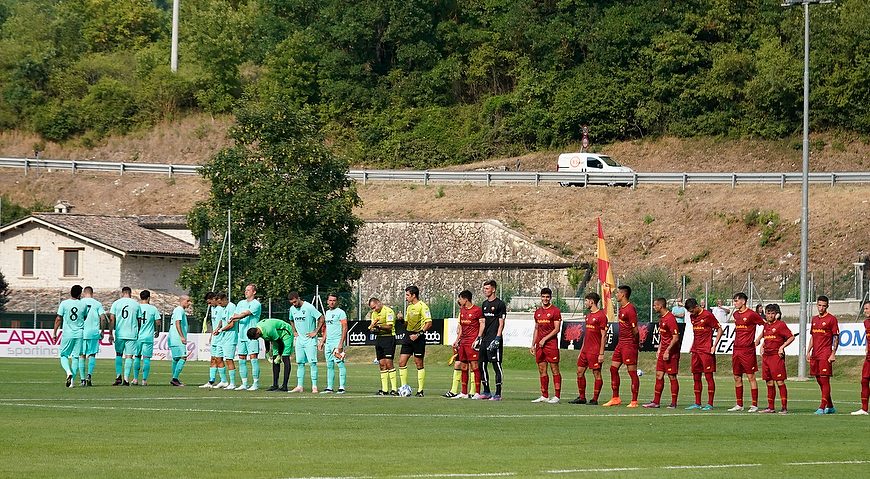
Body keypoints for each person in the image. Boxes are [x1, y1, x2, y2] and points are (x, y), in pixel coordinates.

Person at [727, 292, 764, 412]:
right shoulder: (736, 314)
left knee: (751, 376)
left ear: (743, 301)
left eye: (736, 301)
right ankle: (739, 404)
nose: (735, 303)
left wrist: (758, 339)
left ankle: (754, 405)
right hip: (736, 349)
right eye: (734, 301)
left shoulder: (752, 314)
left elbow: (765, 325)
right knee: (737, 376)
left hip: (748, 350)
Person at [605, 285, 640, 408]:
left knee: (632, 372)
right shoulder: (621, 309)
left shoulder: (630, 309)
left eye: (618, 293)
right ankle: (615, 398)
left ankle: (634, 401)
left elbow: (635, 329)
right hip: (621, 343)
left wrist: (635, 343)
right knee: (613, 369)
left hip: (629, 344)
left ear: (623, 294)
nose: (616, 295)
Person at [685, 297, 723, 411]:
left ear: (697, 307)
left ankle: (710, 403)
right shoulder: (693, 317)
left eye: (692, 310)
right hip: (696, 350)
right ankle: (697, 403)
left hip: (706, 350)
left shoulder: (707, 315)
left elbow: (719, 329)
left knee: (708, 376)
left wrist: (714, 345)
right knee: (696, 376)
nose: (691, 313)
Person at [755, 303, 794, 414]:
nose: (770, 316)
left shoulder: (780, 325)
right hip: (766, 357)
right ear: (765, 314)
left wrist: (782, 347)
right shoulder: (766, 325)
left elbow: (791, 337)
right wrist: (761, 345)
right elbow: (766, 337)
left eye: (772, 314)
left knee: (780, 382)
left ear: (776, 314)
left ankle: (784, 408)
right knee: (769, 382)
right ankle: (770, 407)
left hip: (776, 357)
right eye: (768, 313)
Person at [445, 290, 483, 399]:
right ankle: (464, 392)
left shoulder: (477, 310)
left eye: (460, 298)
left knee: (475, 366)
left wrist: (478, 338)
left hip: (472, 342)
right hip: (463, 342)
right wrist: (457, 340)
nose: (459, 301)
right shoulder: (462, 310)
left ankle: (477, 393)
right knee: (463, 366)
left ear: (466, 299)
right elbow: (461, 327)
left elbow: (482, 324)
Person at [570, 292, 607, 405]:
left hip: (594, 351)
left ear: (592, 301)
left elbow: (603, 335)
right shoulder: (588, 315)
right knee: (579, 372)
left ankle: (595, 399)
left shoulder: (601, 316)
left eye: (586, 301)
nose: (585, 303)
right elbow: (587, 335)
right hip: (585, 350)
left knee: (596, 374)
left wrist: (601, 353)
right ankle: (582, 397)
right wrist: (581, 350)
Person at [644, 298, 681, 408]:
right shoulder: (662, 318)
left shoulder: (670, 318)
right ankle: (656, 402)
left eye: (655, 305)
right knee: (659, 375)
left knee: (672, 376)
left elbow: (675, 337)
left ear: (660, 306)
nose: (654, 307)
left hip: (671, 353)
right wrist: (660, 349)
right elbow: (663, 336)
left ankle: (673, 403)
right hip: (663, 351)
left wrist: (668, 351)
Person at [807, 295, 839, 415]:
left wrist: (833, 353)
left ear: (827, 306)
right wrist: (808, 351)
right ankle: (830, 406)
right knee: (819, 380)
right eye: (819, 305)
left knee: (825, 380)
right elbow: (813, 337)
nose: (821, 308)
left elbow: (836, 337)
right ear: (817, 305)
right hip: (815, 354)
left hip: (825, 354)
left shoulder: (832, 319)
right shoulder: (814, 319)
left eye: (824, 306)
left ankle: (822, 406)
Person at [399, 285, 432, 397]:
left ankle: (420, 391)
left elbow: (429, 323)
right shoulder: (409, 307)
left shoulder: (423, 306)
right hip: (408, 336)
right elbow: (406, 324)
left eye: (408, 295)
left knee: (419, 363)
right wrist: (401, 320)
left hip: (418, 337)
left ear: (414, 295)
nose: (406, 297)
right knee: (401, 362)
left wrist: (418, 334)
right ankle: (403, 388)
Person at [288, 291, 324, 393]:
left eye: (295, 302)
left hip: (310, 340)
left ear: (298, 298)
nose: (294, 304)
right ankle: (300, 386)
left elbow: (321, 318)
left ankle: (314, 386)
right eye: (292, 303)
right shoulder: (292, 309)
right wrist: (294, 331)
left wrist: (315, 331)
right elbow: (291, 319)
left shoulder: (309, 307)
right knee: (300, 363)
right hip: (299, 340)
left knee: (312, 363)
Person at [531, 288, 562, 404]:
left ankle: (557, 396)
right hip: (540, 345)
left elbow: (557, 329)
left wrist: (544, 339)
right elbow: (536, 328)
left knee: (555, 369)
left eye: (547, 297)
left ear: (550, 298)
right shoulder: (538, 312)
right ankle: (544, 395)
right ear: (541, 297)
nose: (545, 299)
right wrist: (533, 344)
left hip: (551, 345)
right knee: (542, 370)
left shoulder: (555, 311)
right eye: (543, 296)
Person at [477, 279, 506, 400]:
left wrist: (498, 337)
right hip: (485, 339)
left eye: (487, 288)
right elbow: (483, 323)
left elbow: (501, 322)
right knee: (481, 365)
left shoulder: (500, 304)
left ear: (493, 289)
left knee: (496, 365)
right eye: (484, 289)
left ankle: (498, 393)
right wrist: (479, 337)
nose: (485, 291)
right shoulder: (484, 304)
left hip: (494, 339)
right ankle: (486, 391)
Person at [248, 318, 294, 391]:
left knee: (285, 357)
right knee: (275, 361)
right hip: (277, 336)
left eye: (255, 338)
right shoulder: (259, 329)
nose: (256, 339)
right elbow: (266, 338)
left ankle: (284, 386)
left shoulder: (269, 330)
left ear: (257, 333)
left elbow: (280, 343)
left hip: (286, 333)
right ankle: (275, 385)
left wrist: (279, 355)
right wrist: (267, 352)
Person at [231, 284, 262, 391]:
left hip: (252, 336)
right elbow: (235, 316)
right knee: (241, 360)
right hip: (241, 335)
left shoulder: (256, 304)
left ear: (254, 292)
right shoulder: (240, 303)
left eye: (248, 290)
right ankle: (244, 383)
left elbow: (243, 315)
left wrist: (234, 317)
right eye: (245, 290)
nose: (246, 292)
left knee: (253, 359)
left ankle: (255, 383)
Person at [54, 285, 86, 388]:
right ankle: (72, 382)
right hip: (79, 333)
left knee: (63, 355)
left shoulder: (64, 303)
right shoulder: (83, 305)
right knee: (75, 357)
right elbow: (84, 317)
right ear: (79, 294)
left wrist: (54, 332)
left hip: (68, 333)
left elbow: (59, 318)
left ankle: (68, 372)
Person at [109, 287, 141, 386]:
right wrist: (138, 331)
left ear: (122, 293)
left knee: (118, 354)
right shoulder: (136, 304)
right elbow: (139, 320)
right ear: (130, 293)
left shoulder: (116, 303)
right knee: (129, 356)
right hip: (131, 334)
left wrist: (110, 333)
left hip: (120, 333)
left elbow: (112, 319)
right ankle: (126, 379)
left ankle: (118, 376)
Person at [318, 293, 348, 394]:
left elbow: (345, 328)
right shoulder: (327, 313)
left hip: (337, 342)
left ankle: (342, 387)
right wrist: (322, 340)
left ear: (337, 301)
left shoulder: (341, 313)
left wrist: (340, 343)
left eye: (334, 300)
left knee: (340, 363)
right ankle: (329, 387)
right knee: (329, 365)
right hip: (329, 343)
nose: (332, 302)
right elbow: (327, 328)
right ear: (327, 301)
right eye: (330, 300)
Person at [369, 297, 398, 395]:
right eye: (372, 308)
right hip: (379, 339)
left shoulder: (388, 311)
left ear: (379, 303)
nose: (374, 310)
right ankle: (384, 390)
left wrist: (378, 326)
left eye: (374, 307)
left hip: (389, 338)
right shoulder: (374, 314)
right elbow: (373, 327)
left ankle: (394, 389)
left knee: (389, 363)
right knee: (381, 364)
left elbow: (390, 327)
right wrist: (373, 330)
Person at [132, 290, 160, 386]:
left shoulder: (137, 307)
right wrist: (157, 331)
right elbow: (158, 322)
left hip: (137, 336)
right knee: (146, 358)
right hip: (148, 336)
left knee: (137, 357)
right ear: (149, 298)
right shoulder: (153, 309)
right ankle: (144, 380)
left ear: (140, 297)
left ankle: (135, 379)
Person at [80, 286, 106, 387]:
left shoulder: (80, 303)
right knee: (92, 355)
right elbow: (103, 318)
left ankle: (82, 379)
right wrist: (102, 331)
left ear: (83, 293)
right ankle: (89, 375)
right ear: (92, 293)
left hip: (81, 333)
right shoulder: (97, 304)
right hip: (94, 333)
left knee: (81, 355)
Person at [214, 292, 240, 389]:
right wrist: (217, 328)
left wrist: (221, 330)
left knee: (229, 359)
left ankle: (232, 383)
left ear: (225, 299)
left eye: (220, 303)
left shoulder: (232, 307)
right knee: (218, 358)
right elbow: (222, 320)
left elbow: (231, 324)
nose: (219, 305)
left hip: (230, 338)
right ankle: (223, 381)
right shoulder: (223, 308)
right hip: (222, 338)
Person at [200, 292, 224, 388]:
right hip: (214, 337)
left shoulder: (221, 308)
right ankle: (211, 381)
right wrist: (211, 334)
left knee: (219, 359)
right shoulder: (213, 309)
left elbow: (222, 320)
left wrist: (218, 329)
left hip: (221, 336)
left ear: (214, 299)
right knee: (213, 359)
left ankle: (223, 380)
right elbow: (214, 323)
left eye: (210, 302)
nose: (209, 305)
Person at [168, 295, 191, 386]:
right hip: (177, 338)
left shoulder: (177, 310)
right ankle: (175, 378)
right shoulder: (179, 310)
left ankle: (174, 379)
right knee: (183, 357)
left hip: (172, 337)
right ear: (183, 300)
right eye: (188, 301)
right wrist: (182, 336)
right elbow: (178, 323)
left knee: (176, 359)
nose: (189, 303)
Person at [852, 302, 870, 416]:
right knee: (864, 380)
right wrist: (867, 349)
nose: (865, 311)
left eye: (867, 309)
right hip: (869, 357)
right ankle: (864, 409)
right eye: (865, 309)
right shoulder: (866, 323)